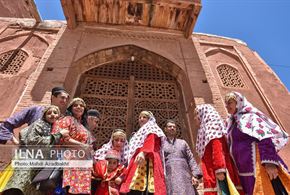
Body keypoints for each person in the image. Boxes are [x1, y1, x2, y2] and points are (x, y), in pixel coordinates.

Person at [225, 91, 290, 195]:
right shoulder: (231, 123)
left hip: (259, 166)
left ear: (238, 102)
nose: (227, 106)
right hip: (243, 170)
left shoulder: (250, 117)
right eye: (226, 104)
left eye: (229, 103)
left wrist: (269, 163)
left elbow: (265, 137)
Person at [1, 105, 68, 195]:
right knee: (18, 187)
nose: (52, 115)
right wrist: (58, 135)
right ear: (44, 116)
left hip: (43, 165)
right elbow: (33, 140)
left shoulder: (56, 128)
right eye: (49, 113)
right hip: (29, 160)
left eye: (55, 113)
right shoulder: (39, 124)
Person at [194, 104, 242, 195]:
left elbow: (217, 148)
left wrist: (220, 170)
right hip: (211, 170)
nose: (195, 118)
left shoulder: (212, 126)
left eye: (196, 115)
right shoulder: (204, 129)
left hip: (217, 173)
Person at [0, 86, 69, 144]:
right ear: (53, 97)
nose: (65, 100)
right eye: (62, 97)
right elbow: (7, 124)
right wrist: (15, 143)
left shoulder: (64, 119)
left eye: (67, 99)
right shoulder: (36, 110)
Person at [52, 97, 93, 194]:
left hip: (82, 162)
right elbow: (63, 138)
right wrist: (82, 146)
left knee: (80, 190)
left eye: (81, 105)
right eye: (75, 105)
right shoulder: (66, 120)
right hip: (69, 157)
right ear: (70, 108)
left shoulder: (83, 126)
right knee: (68, 188)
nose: (79, 107)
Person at [120, 111, 166, 195]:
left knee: (147, 186)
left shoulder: (152, 128)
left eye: (144, 117)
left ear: (150, 119)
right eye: (140, 117)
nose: (141, 119)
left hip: (148, 159)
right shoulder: (138, 132)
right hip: (137, 160)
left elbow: (150, 141)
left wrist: (143, 153)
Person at [163, 119, 202, 195]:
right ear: (165, 129)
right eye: (170, 126)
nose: (172, 128)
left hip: (184, 175)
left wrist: (195, 175)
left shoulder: (183, 143)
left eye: (174, 127)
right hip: (169, 177)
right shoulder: (162, 144)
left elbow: (191, 159)